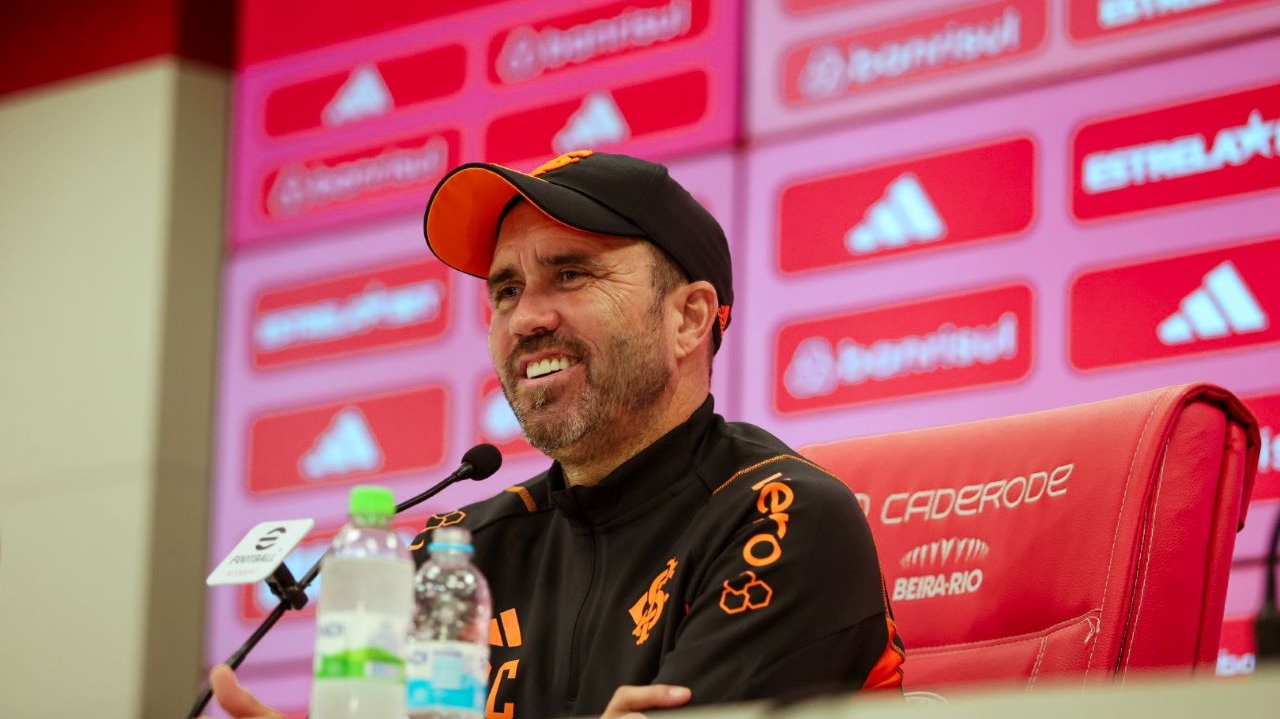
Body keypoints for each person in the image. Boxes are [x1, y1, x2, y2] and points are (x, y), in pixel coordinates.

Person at [206, 150, 904, 719]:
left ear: (689, 319)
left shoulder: (783, 518)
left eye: (570, 274)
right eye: (506, 290)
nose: (525, 319)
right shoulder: (456, 558)